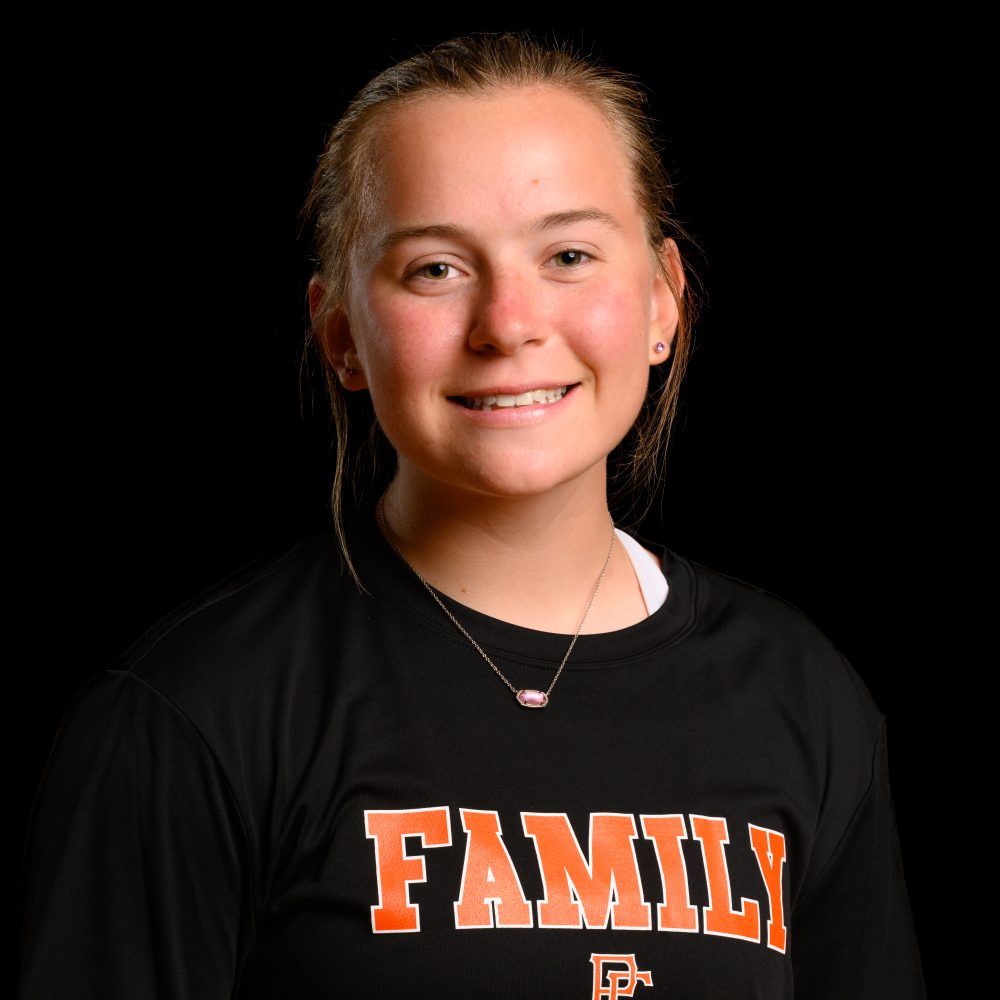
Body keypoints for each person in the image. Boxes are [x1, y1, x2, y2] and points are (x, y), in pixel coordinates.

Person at [18, 34, 924, 999]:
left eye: (568, 255)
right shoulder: (194, 716)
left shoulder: (802, 698)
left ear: (664, 300)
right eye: (436, 270)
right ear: (340, 332)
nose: (509, 324)